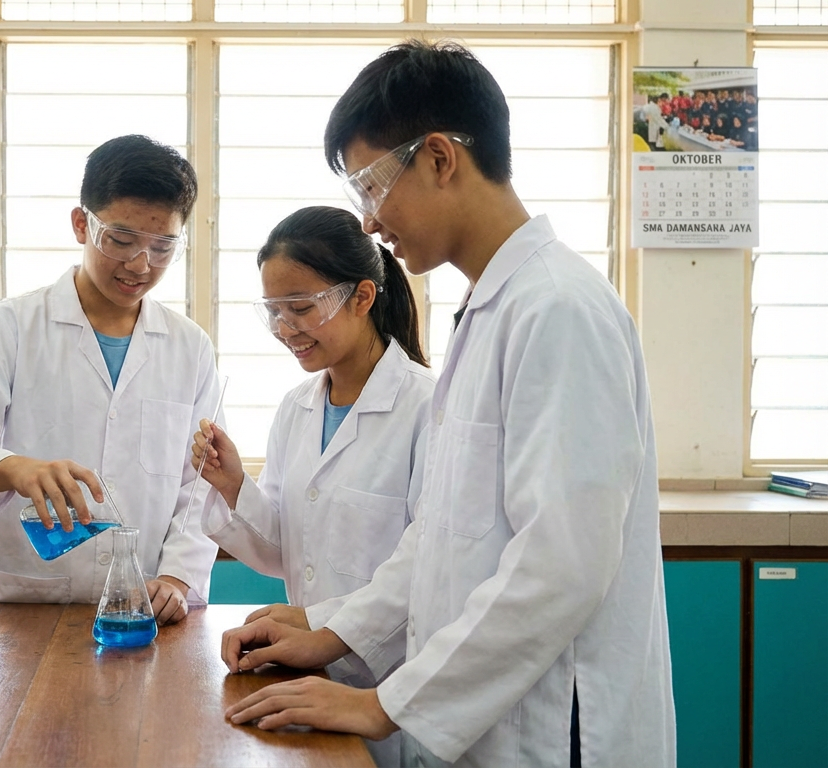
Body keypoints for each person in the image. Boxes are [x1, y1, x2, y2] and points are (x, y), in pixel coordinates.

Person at [218, 40, 675, 767]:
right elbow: (439, 541)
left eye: (371, 186)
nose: (370, 222)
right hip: (488, 725)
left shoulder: (557, 309)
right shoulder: (489, 312)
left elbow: (562, 564)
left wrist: (383, 705)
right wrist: (331, 634)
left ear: (438, 157)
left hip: (555, 731)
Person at [0, 134, 220, 624]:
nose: (140, 265)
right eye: (121, 239)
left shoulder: (190, 347)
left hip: (140, 606)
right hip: (22, 606)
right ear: (82, 224)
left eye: (163, 247)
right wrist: (15, 468)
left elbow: (201, 482)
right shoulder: (12, 325)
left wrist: (178, 577)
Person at [189, 206, 434, 766]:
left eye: (300, 308)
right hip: (309, 679)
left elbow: (426, 565)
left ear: (362, 297)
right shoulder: (297, 408)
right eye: (274, 312)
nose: (285, 329)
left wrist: (320, 627)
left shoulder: (426, 406)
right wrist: (234, 485)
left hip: (392, 689)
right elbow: (286, 552)